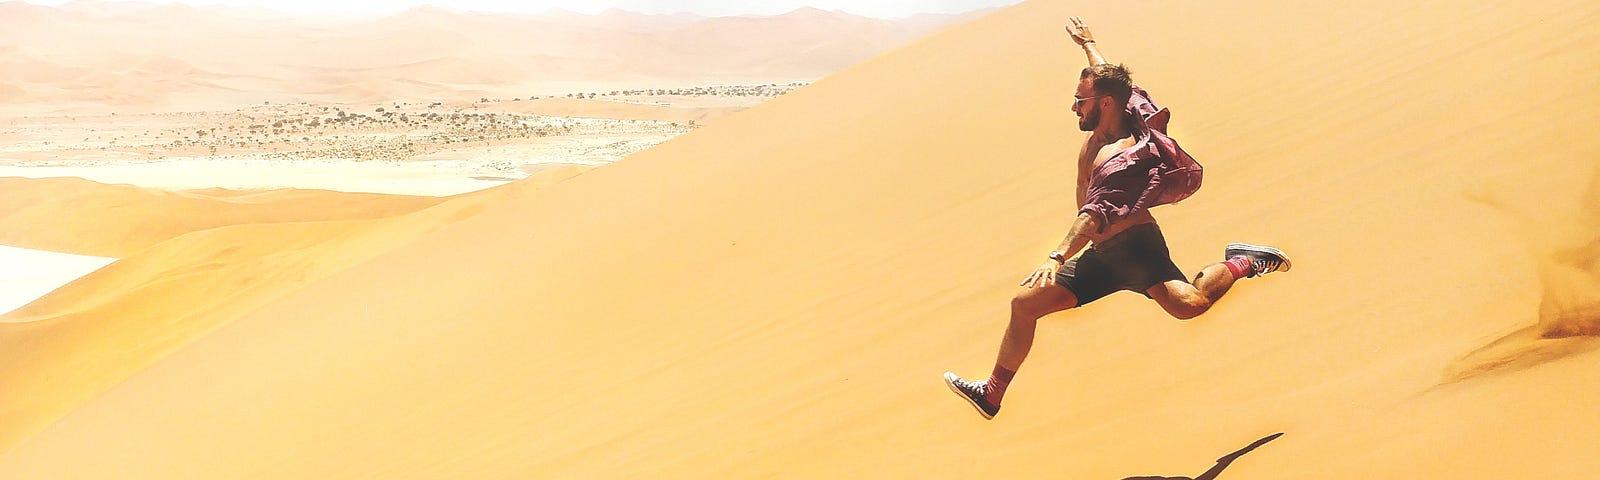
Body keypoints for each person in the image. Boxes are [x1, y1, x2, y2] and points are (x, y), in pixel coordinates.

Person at [942, 16, 1293, 420]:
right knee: (1024, 305)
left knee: (1190, 305)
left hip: (1136, 250)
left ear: (1104, 104)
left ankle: (1242, 260)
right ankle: (991, 394)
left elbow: (1092, 216)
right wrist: (1088, 45)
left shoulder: (1120, 157)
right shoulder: (1119, 108)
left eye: (1081, 101)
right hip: (1102, 257)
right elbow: (1117, 83)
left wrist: (1056, 256)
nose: (1074, 106)